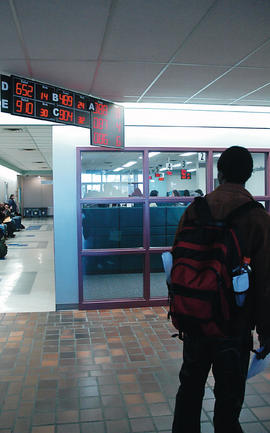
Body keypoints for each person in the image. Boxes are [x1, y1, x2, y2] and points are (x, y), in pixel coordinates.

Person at [171, 146, 270, 433]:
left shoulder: (195, 209)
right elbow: (265, 284)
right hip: (233, 325)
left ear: (220, 172)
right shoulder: (258, 218)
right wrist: (266, 331)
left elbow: (179, 259)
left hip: (195, 318)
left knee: (189, 390)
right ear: (249, 175)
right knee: (228, 402)